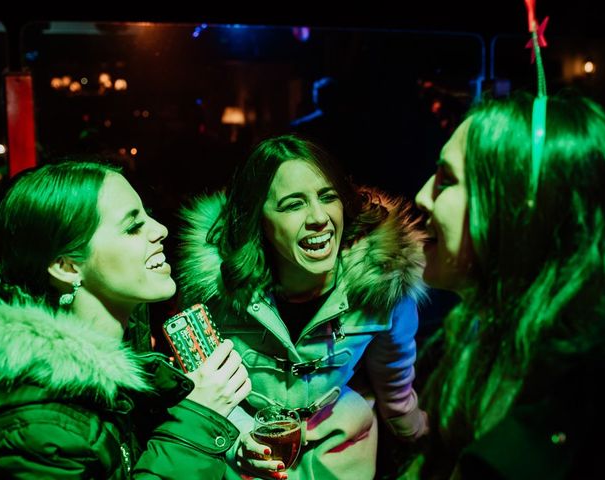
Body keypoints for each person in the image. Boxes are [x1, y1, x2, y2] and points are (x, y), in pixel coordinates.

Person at [0, 160, 251, 479]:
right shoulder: (36, 426)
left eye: (147, 215)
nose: (160, 230)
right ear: (68, 267)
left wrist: (231, 451)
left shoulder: (129, 369)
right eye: (133, 226)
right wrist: (198, 420)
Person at [177, 134, 429, 479]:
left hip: (342, 460)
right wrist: (238, 443)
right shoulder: (216, 292)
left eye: (328, 197)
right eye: (293, 204)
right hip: (247, 463)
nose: (318, 218)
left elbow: (396, 388)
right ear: (259, 219)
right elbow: (204, 393)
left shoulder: (382, 285)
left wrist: (426, 445)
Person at [410, 90, 605, 479]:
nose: (421, 196)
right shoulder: (475, 336)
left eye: (446, 179)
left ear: (515, 205)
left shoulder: (580, 391)